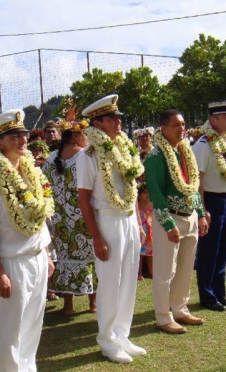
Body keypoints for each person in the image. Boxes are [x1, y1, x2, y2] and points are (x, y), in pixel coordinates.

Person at [0, 109, 55, 371]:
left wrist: (45, 254)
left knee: (33, 323)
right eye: (14, 135)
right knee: (11, 329)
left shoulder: (32, 172)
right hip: (11, 264)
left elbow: (39, 217)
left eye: (24, 134)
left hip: (37, 258)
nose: (23, 139)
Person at [76, 94, 146, 364]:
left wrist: (138, 224)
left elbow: (132, 189)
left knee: (129, 280)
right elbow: (84, 199)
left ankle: (122, 334)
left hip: (128, 218)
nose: (119, 122)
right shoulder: (88, 155)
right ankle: (107, 340)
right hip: (107, 220)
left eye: (119, 118)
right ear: (97, 122)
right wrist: (96, 235)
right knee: (109, 283)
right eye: (112, 118)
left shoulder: (125, 148)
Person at [144, 109, 209, 334]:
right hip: (169, 218)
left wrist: (200, 213)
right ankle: (163, 317)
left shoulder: (185, 152)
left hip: (189, 216)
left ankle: (180, 308)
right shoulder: (155, 157)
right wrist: (168, 224)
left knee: (185, 268)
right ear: (163, 129)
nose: (182, 128)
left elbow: (193, 186)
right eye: (176, 125)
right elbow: (155, 193)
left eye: (183, 124)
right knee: (165, 271)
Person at [192, 101, 226, 312]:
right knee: (209, 251)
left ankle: (219, 291)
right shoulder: (204, 145)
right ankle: (207, 295)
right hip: (211, 200)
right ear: (213, 120)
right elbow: (198, 180)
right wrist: (202, 210)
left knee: (223, 249)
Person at [43, 118, 97, 316]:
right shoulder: (85, 156)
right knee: (89, 256)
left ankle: (68, 305)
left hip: (60, 219)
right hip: (83, 216)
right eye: (84, 133)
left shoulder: (49, 160)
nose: (87, 138)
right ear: (75, 135)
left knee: (65, 258)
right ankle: (93, 303)